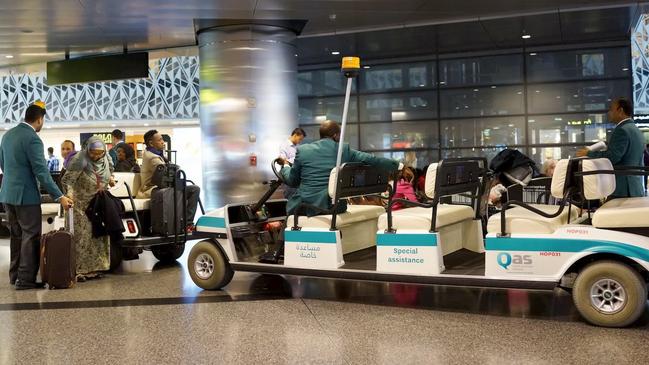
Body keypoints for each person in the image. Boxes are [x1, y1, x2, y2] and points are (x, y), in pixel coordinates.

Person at [0, 101, 73, 290]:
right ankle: (25, 280)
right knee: (30, 235)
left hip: (7, 194)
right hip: (26, 196)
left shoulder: (7, 135)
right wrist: (60, 196)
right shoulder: (32, 139)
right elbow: (41, 172)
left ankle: (15, 275)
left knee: (16, 235)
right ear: (39, 119)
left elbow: (3, 165)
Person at [279, 120, 399, 216]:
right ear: (336, 135)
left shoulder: (303, 150)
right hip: (333, 207)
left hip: (305, 207)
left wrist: (284, 166)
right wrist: (397, 165)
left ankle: (282, 246)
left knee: (289, 219)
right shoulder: (343, 150)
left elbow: (292, 181)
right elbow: (372, 160)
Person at [61, 136, 115, 281]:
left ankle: (96, 268)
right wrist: (69, 195)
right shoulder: (80, 160)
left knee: (98, 235)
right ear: (87, 150)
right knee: (82, 238)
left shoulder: (105, 160)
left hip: (97, 203)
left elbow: (109, 172)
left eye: (99, 153)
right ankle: (80, 269)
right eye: (93, 152)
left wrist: (110, 179)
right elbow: (68, 180)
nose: (96, 156)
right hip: (80, 205)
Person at [577, 97, 645, 198]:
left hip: (622, 189)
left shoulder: (621, 130)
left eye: (611, 109)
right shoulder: (636, 130)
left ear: (620, 110)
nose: (609, 112)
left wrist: (588, 153)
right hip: (635, 187)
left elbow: (613, 157)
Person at [137, 130, 201, 228]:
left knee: (192, 189)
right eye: (159, 140)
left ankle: (185, 222)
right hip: (151, 189)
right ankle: (186, 223)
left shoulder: (157, 154)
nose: (162, 142)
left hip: (160, 187)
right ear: (151, 143)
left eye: (162, 139)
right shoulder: (152, 158)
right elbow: (166, 176)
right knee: (192, 190)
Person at [278, 128, 306, 199]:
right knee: (290, 196)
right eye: (300, 139)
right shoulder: (284, 145)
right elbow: (283, 160)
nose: (300, 141)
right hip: (288, 173)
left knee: (296, 196)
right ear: (295, 135)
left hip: (296, 173)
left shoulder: (297, 146)